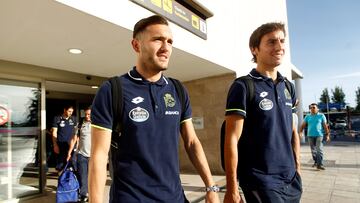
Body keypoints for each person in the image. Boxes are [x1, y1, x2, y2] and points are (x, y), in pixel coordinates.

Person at [89, 15, 219, 203]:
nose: (166, 47)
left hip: (175, 197)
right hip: (130, 198)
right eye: (158, 39)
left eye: (170, 41)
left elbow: (191, 142)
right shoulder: (112, 90)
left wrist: (211, 186)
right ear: (136, 45)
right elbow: (99, 156)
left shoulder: (178, 90)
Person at [223, 22, 302, 203]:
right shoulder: (243, 86)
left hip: (291, 180)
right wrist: (232, 188)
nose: (279, 46)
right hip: (261, 181)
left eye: (282, 41)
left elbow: (292, 131)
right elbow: (231, 139)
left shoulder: (288, 86)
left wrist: (297, 167)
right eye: (271, 42)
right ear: (254, 49)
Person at [67, 107, 92, 202]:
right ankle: (83, 195)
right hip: (81, 154)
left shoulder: (97, 124)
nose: (87, 116)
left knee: (92, 177)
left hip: (93, 156)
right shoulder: (80, 124)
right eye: (86, 114)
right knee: (82, 176)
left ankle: (92, 194)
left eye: (89, 114)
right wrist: (69, 153)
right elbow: (74, 139)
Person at [299, 103, 330, 170]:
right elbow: (303, 125)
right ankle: (316, 161)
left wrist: (327, 135)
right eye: (311, 108)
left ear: (317, 109)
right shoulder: (307, 116)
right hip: (310, 135)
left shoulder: (321, 116)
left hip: (319, 135)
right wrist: (301, 132)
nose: (312, 109)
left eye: (314, 107)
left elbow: (325, 126)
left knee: (319, 150)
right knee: (313, 151)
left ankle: (320, 164)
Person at [52, 105, 77, 172]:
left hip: (71, 144)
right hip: (61, 144)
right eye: (69, 111)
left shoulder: (74, 119)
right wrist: (55, 145)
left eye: (72, 111)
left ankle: (72, 179)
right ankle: (61, 178)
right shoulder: (57, 118)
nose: (70, 113)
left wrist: (76, 144)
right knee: (61, 163)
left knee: (73, 161)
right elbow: (54, 132)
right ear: (64, 110)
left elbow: (76, 133)